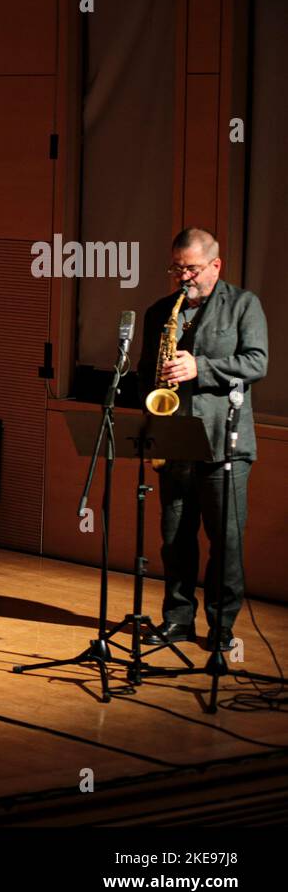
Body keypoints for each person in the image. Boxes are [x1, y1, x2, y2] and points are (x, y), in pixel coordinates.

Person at [140, 227, 268, 652]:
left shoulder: (244, 305)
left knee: (225, 541)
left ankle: (221, 626)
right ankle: (177, 619)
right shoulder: (161, 311)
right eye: (177, 268)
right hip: (176, 439)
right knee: (175, 539)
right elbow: (145, 373)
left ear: (216, 265)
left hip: (223, 442)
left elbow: (256, 362)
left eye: (192, 269)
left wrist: (202, 368)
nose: (183, 277)